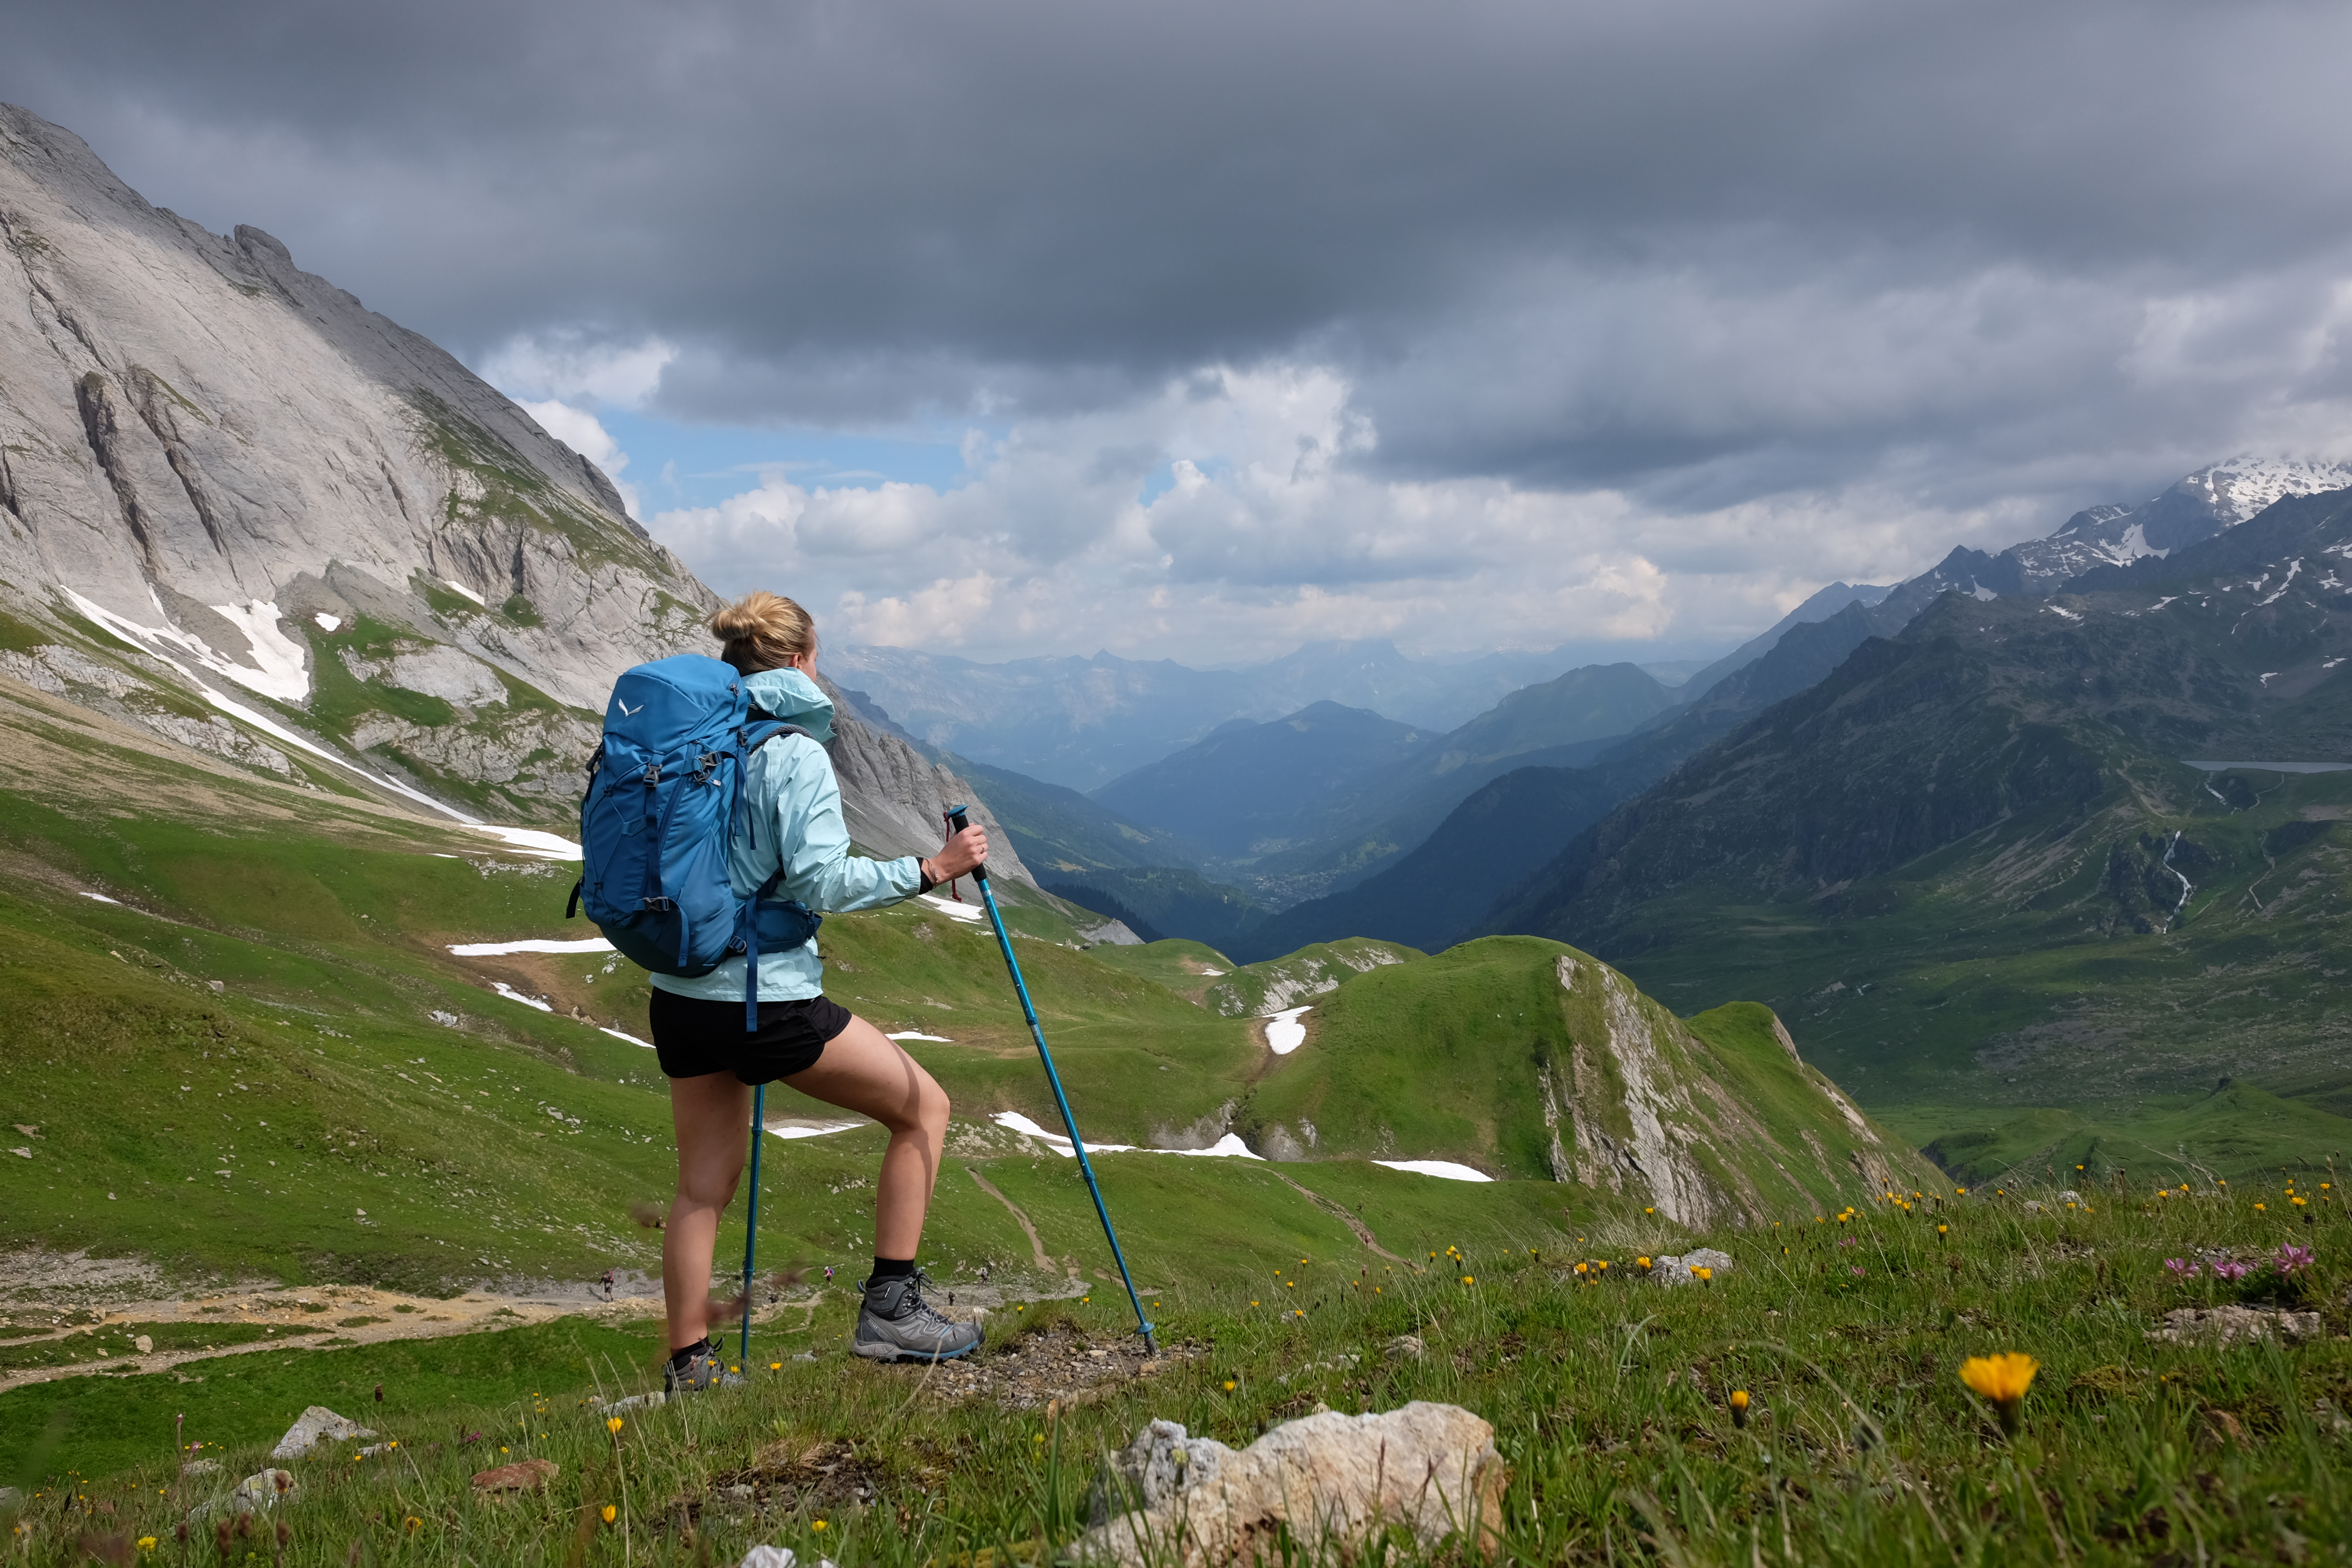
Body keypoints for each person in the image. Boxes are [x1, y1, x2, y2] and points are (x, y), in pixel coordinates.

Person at [649, 590, 989, 1390]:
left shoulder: (689, 740)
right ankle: (892, 1313)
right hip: (768, 1000)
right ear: (802, 659)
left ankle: (689, 1368)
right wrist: (932, 868)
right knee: (924, 1109)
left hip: (680, 991)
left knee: (700, 1187)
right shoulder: (792, 751)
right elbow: (823, 880)